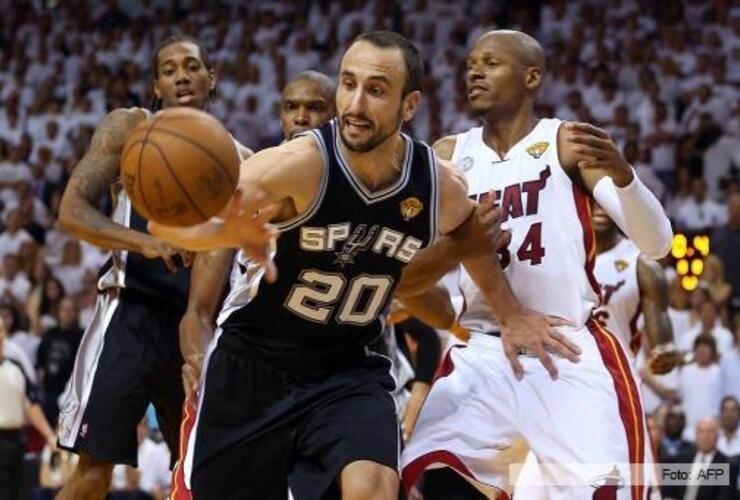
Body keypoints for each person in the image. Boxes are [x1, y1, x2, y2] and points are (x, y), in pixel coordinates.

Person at [151, 31, 573, 499]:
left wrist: (510, 313)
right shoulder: (298, 164)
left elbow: (470, 235)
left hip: (348, 369)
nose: (353, 104)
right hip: (254, 365)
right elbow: (171, 227)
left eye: (375, 90)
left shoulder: (436, 182)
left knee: (373, 486)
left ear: (408, 105)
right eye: (347, 84)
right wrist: (226, 233)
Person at [400, 30, 673, 499]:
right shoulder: (449, 155)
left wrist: (626, 179)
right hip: (484, 350)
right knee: (428, 475)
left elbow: (659, 243)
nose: (474, 72)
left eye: (490, 63)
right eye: (470, 64)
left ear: (532, 77)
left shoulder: (564, 142)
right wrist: (456, 246)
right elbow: (403, 268)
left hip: (565, 347)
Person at [54, 36, 252, 500]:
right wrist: (145, 242)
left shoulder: (237, 159)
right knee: (93, 472)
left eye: (192, 66)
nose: (181, 75)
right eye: (169, 70)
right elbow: (71, 209)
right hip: (129, 315)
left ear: (212, 77)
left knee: (198, 476)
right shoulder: (130, 127)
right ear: (156, 86)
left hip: (194, 325)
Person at [0, 315, 56, 500]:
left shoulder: (15, 367)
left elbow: (31, 404)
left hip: (16, 440)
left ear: (5, 334)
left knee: (19, 493)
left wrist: (49, 435)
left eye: (1, 329)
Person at [661, 417, 737, 500]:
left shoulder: (727, 465)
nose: (705, 436)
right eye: (701, 431)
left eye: (709, 432)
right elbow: (669, 492)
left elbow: (724, 497)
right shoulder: (681, 459)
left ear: (717, 436)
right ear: (696, 435)